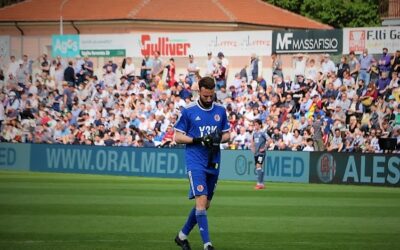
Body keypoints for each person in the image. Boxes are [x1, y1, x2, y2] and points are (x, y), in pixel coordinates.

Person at [174, 76, 230, 250]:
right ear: (199, 91)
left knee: (205, 204)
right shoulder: (188, 110)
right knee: (200, 202)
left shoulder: (220, 110)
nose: (208, 99)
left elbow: (228, 135)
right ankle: (207, 244)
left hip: (213, 162)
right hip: (195, 161)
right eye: (205, 95)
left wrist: (217, 137)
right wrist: (198, 140)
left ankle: (181, 236)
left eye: (211, 95)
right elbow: (177, 137)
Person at [251, 119, 270, 189]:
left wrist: (264, 148)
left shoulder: (263, 133)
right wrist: (252, 147)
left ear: (260, 125)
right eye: (254, 125)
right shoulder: (254, 133)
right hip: (256, 153)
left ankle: (259, 183)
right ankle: (261, 183)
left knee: (258, 166)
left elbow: (270, 140)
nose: (255, 126)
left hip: (261, 153)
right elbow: (252, 141)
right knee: (258, 167)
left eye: (256, 125)